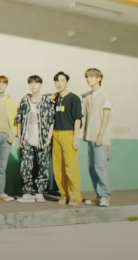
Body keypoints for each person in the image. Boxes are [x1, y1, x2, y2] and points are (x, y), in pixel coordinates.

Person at [15, 75, 55, 203]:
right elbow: (19, 120)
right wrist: (19, 136)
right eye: (31, 83)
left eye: (36, 83)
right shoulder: (24, 101)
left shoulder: (47, 101)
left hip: (43, 140)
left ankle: (40, 193)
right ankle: (27, 193)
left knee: (43, 167)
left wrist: (49, 137)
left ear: (40, 85)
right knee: (25, 167)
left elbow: (52, 120)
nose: (33, 85)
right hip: (27, 140)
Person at [51, 71, 84, 206]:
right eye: (57, 81)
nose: (59, 83)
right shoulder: (55, 99)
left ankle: (75, 197)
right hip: (56, 134)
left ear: (67, 82)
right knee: (58, 168)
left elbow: (77, 119)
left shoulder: (74, 98)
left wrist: (75, 138)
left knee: (71, 167)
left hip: (69, 133)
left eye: (62, 80)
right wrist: (54, 96)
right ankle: (65, 196)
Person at [81, 67, 112, 207]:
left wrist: (101, 134)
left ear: (99, 78)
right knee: (92, 168)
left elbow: (106, 115)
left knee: (100, 167)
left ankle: (105, 196)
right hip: (90, 137)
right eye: (87, 76)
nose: (88, 79)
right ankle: (99, 196)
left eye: (91, 76)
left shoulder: (104, 95)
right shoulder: (88, 95)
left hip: (100, 137)